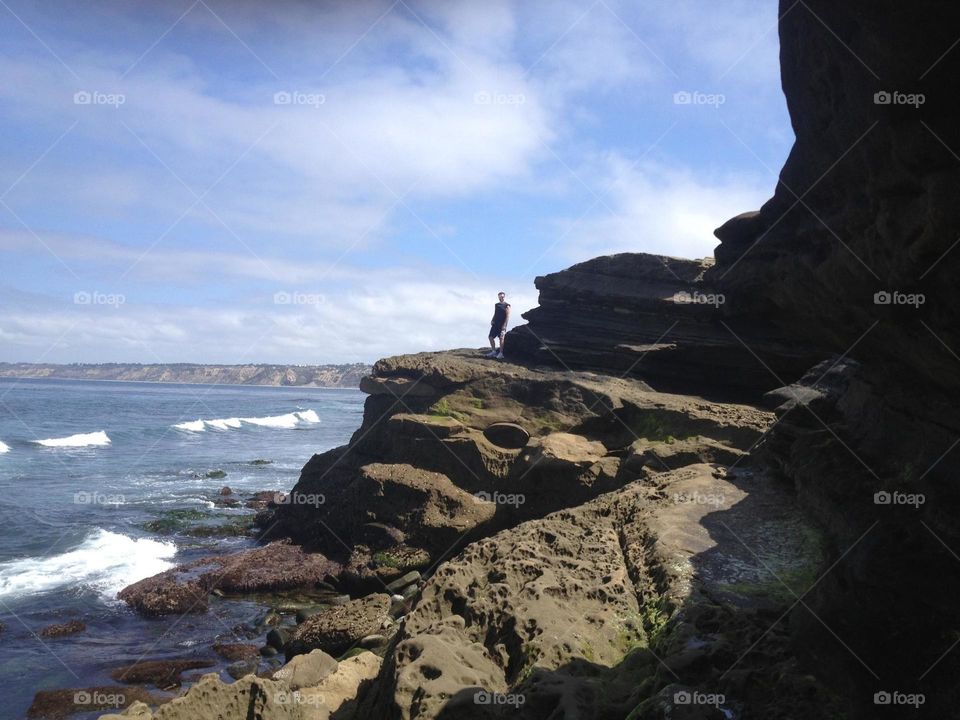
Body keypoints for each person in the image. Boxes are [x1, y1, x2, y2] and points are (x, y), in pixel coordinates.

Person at [486, 291, 510, 359]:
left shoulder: (507, 305)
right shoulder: (496, 305)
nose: (501, 298)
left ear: (504, 297)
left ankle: (501, 353)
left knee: (501, 338)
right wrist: (492, 320)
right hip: (495, 324)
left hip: (502, 324)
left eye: (502, 296)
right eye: (500, 296)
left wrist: (505, 325)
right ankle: (493, 351)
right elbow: (495, 313)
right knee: (490, 337)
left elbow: (508, 315)